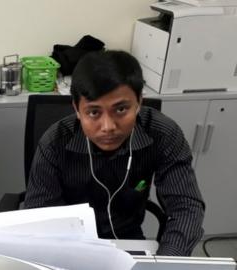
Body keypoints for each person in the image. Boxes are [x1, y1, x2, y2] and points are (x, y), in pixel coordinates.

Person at [24, 50, 205, 256]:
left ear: (139, 102)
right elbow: (39, 215)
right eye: (94, 112)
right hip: (70, 244)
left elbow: (186, 207)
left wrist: (167, 260)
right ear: (76, 109)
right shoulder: (55, 142)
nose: (108, 127)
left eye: (121, 110)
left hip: (128, 238)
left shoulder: (162, 134)